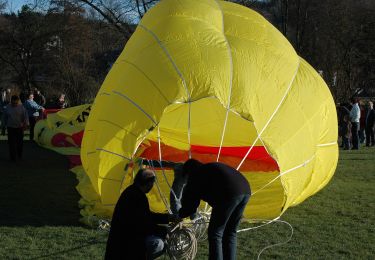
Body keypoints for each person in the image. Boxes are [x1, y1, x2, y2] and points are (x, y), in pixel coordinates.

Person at [178, 159, 251, 260]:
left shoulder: (196, 176)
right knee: (230, 232)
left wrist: (180, 215)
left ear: (189, 172)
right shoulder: (208, 168)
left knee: (215, 233)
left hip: (229, 193)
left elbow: (190, 203)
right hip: (245, 190)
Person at [105, 168, 178, 260]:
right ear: (149, 183)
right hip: (127, 243)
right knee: (158, 243)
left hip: (121, 240)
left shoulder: (131, 191)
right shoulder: (138, 196)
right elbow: (142, 224)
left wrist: (168, 218)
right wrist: (165, 230)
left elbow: (145, 216)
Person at [3, 95, 29, 161]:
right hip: (10, 128)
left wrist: (25, 124)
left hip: (19, 128)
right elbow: (4, 118)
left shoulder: (21, 107)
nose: (14, 104)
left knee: (19, 143)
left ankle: (19, 155)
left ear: (18, 101)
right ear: (11, 101)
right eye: (13, 103)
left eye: (16, 103)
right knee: (11, 143)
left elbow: (25, 116)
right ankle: (13, 157)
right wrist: (3, 126)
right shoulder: (7, 108)